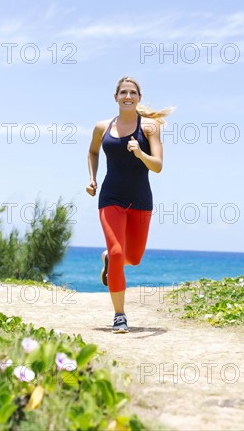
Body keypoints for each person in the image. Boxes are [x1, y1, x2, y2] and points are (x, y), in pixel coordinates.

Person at [86, 76, 173, 333]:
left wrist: (139, 152)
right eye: (123, 92)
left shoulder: (149, 128)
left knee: (132, 259)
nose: (127, 96)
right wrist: (92, 179)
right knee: (116, 253)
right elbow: (92, 152)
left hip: (141, 200)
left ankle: (109, 260)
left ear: (139, 97)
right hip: (110, 198)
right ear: (115, 97)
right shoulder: (102, 127)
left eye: (132, 92)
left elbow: (157, 166)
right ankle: (120, 315)